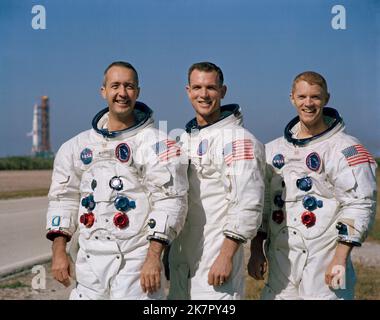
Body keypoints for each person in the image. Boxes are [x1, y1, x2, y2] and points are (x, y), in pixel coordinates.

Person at [46, 61, 188, 300]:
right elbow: (63, 199)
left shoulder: (158, 145)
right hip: (89, 264)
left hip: (136, 264)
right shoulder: (76, 147)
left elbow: (170, 201)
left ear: (138, 92)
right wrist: (58, 250)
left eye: (129, 86)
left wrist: (154, 257)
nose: (122, 93)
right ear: (103, 91)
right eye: (115, 86)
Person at [247, 71, 377, 300]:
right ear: (292, 98)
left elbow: (360, 204)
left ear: (326, 98)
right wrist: (257, 249)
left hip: (324, 259)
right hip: (282, 260)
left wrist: (340, 258)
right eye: (302, 97)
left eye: (315, 97)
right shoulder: (274, 151)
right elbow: (265, 205)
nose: (308, 103)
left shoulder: (345, 148)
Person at [168, 62, 265, 300]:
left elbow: (247, 203)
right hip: (183, 261)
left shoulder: (239, 140)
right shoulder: (184, 140)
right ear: (187, 91)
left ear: (223, 92)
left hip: (215, 259)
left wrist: (226, 257)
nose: (203, 94)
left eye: (211, 88)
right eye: (197, 87)